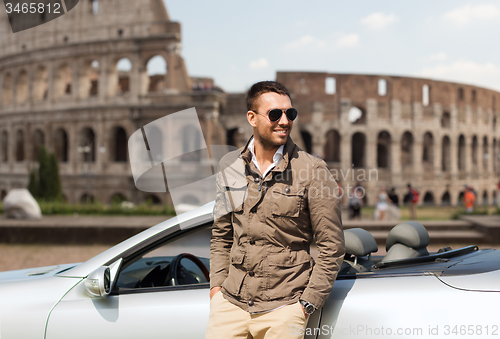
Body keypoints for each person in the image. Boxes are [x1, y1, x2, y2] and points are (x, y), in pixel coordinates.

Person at [206, 81, 345, 339]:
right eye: (274, 114)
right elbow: (221, 235)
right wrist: (216, 289)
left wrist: (305, 305)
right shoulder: (231, 166)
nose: (284, 121)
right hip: (230, 305)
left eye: (289, 113)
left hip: (285, 307)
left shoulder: (312, 170)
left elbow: (331, 246)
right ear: (252, 118)